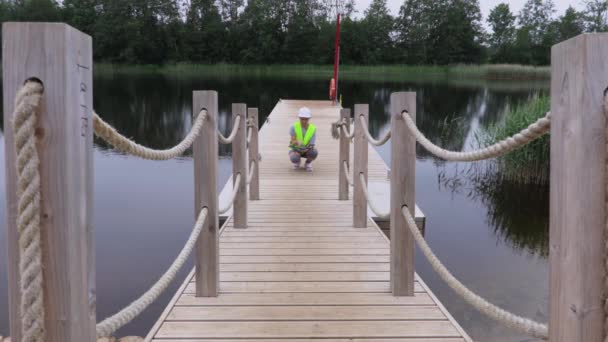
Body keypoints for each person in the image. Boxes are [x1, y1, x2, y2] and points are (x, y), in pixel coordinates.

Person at [289, 107, 318, 172]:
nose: (304, 121)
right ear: (299, 118)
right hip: (296, 149)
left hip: (307, 149)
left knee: (314, 152)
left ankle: (308, 163)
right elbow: (293, 141)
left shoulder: (313, 128)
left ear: (309, 119)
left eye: (306, 119)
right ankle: (297, 162)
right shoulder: (293, 127)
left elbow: (312, 144)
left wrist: (305, 149)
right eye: (302, 119)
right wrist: (296, 143)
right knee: (294, 157)